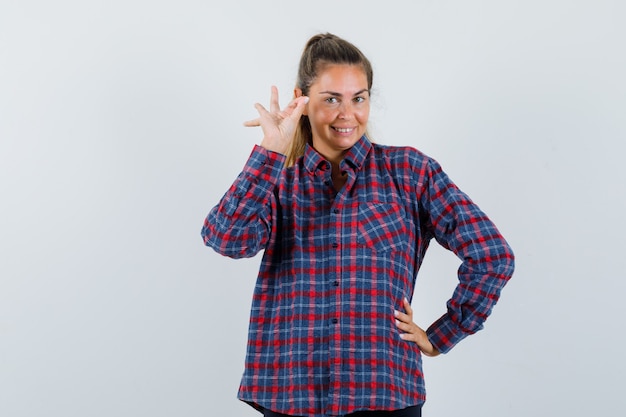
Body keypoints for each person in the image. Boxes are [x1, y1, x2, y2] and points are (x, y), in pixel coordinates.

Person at [201, 33, 515, 417]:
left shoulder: (411, 172)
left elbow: (492, 256)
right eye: (331, 99)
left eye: (358, 98)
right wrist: (270, 152)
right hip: (289, 393)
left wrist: (440, 336)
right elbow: (225, 239)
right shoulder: (277, 176)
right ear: (302, 98)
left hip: (382, 393)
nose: (346, 114)